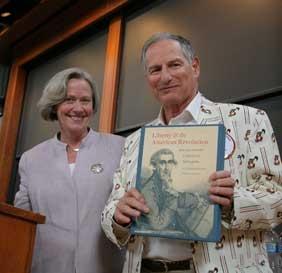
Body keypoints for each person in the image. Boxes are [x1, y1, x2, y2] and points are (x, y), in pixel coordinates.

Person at [101, 32, 282, 273]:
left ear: (194, 67)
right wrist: (118, 217)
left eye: (174, 64)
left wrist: (232, 202)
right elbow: (111, 207)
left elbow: (278, 199)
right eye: (155, 70)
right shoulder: (135, 141)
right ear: (148, 78)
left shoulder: (246, 121)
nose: (165, 76)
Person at [14, 67, 125, 273]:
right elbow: (22, 224)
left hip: (106, 267)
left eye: (85, 100)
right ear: (55, 105)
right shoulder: (31, 159)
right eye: (69, 99)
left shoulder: (120, 148)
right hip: (46, 267)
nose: (78, 107)